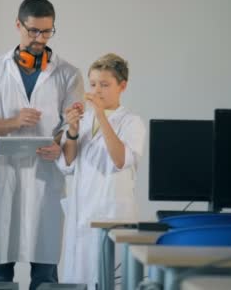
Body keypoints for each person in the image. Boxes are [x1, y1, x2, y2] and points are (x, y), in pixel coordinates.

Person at [0, 0, 84, 290]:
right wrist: (14, 123)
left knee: (46, 273)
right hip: (2, 177)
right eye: (33, 31)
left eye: (47, 32)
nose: (39, 39)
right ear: (18, 25)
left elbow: (69, 125)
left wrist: (59, 142)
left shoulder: (68, 74)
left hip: (45, 177)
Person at [58, 53, 146, 290]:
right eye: (94, 84)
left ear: (122, 86)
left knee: (110, 282)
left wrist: (100, 116)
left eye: (105, 85)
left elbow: (119, 159)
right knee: (78, 283)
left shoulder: (132, 122)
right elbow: (67, 163)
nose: (97, 90)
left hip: (112, 217)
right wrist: (73, 130)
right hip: (82, 216)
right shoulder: (84, 120)